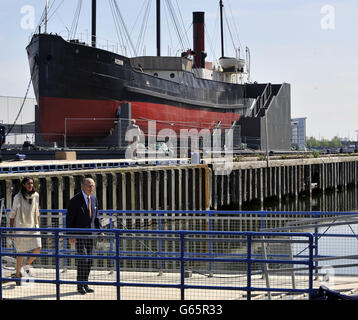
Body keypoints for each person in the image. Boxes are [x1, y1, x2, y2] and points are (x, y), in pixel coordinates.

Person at [66, 177, 102, 295]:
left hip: (91, 235)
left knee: (89, 261)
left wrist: (100, 230)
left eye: (93, 186)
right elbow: (69, 219)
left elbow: (96, 217)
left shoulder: (94, 198)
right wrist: (70, 235)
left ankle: (85, 284)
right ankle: (79, 285)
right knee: (83, 259)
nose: (91, 188)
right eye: (89, 186)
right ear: (83, 186)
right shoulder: (75, 200)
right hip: (79, 234)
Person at [9, 177, 42, 285]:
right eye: (28, 183)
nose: (30, 185)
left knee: (38, 248)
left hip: (33, 226)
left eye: (32, 183)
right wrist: (11, 230)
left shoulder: (36, 195)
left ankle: (26, 265)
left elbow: (37, 211)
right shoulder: (17, 197)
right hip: (21, 227)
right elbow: (12, 214)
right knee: (21, 252)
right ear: (23, 185)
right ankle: (18, 274)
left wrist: (38, 224)